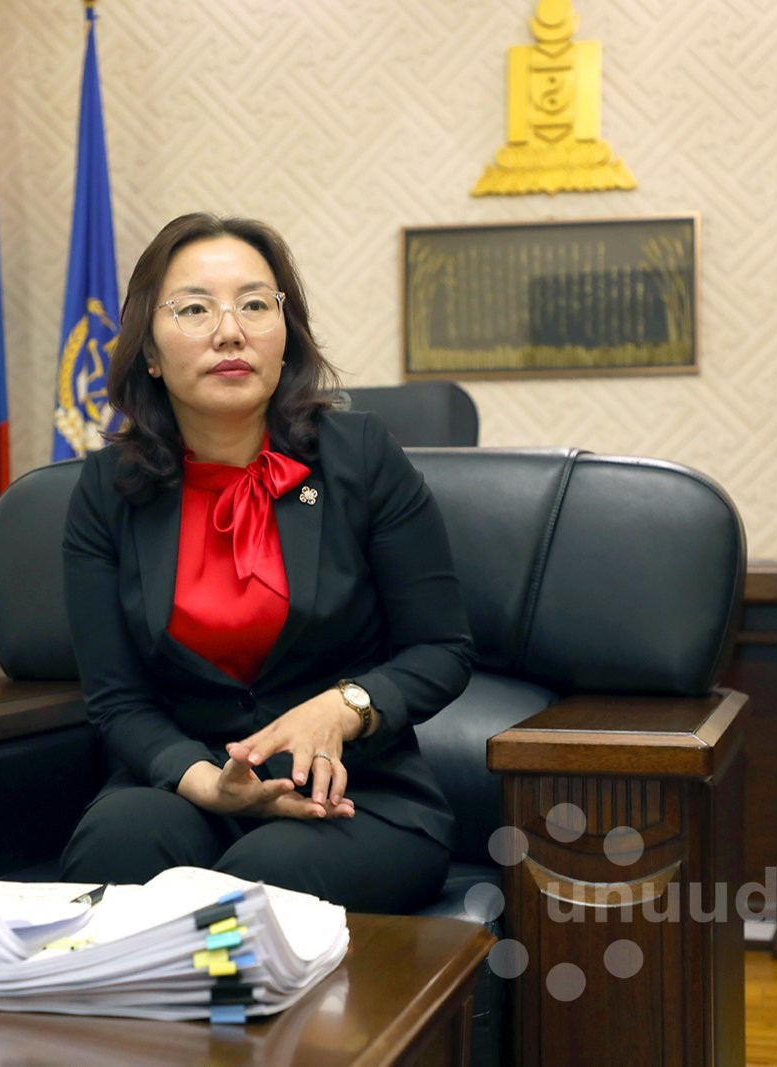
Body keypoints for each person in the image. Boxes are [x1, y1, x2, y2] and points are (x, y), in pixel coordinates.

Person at [59, 213, 474, 913]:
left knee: (262, 886)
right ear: (150, 352)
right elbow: (118, 700)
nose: (230, 331)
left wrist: (345, 707)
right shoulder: (108, 490)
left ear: (286, 336)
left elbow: (442, 649)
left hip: (355, 794)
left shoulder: (361, 458)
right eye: (195, 309)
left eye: (255, 305)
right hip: (186, 785)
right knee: (116, 848)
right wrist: (201, 779)